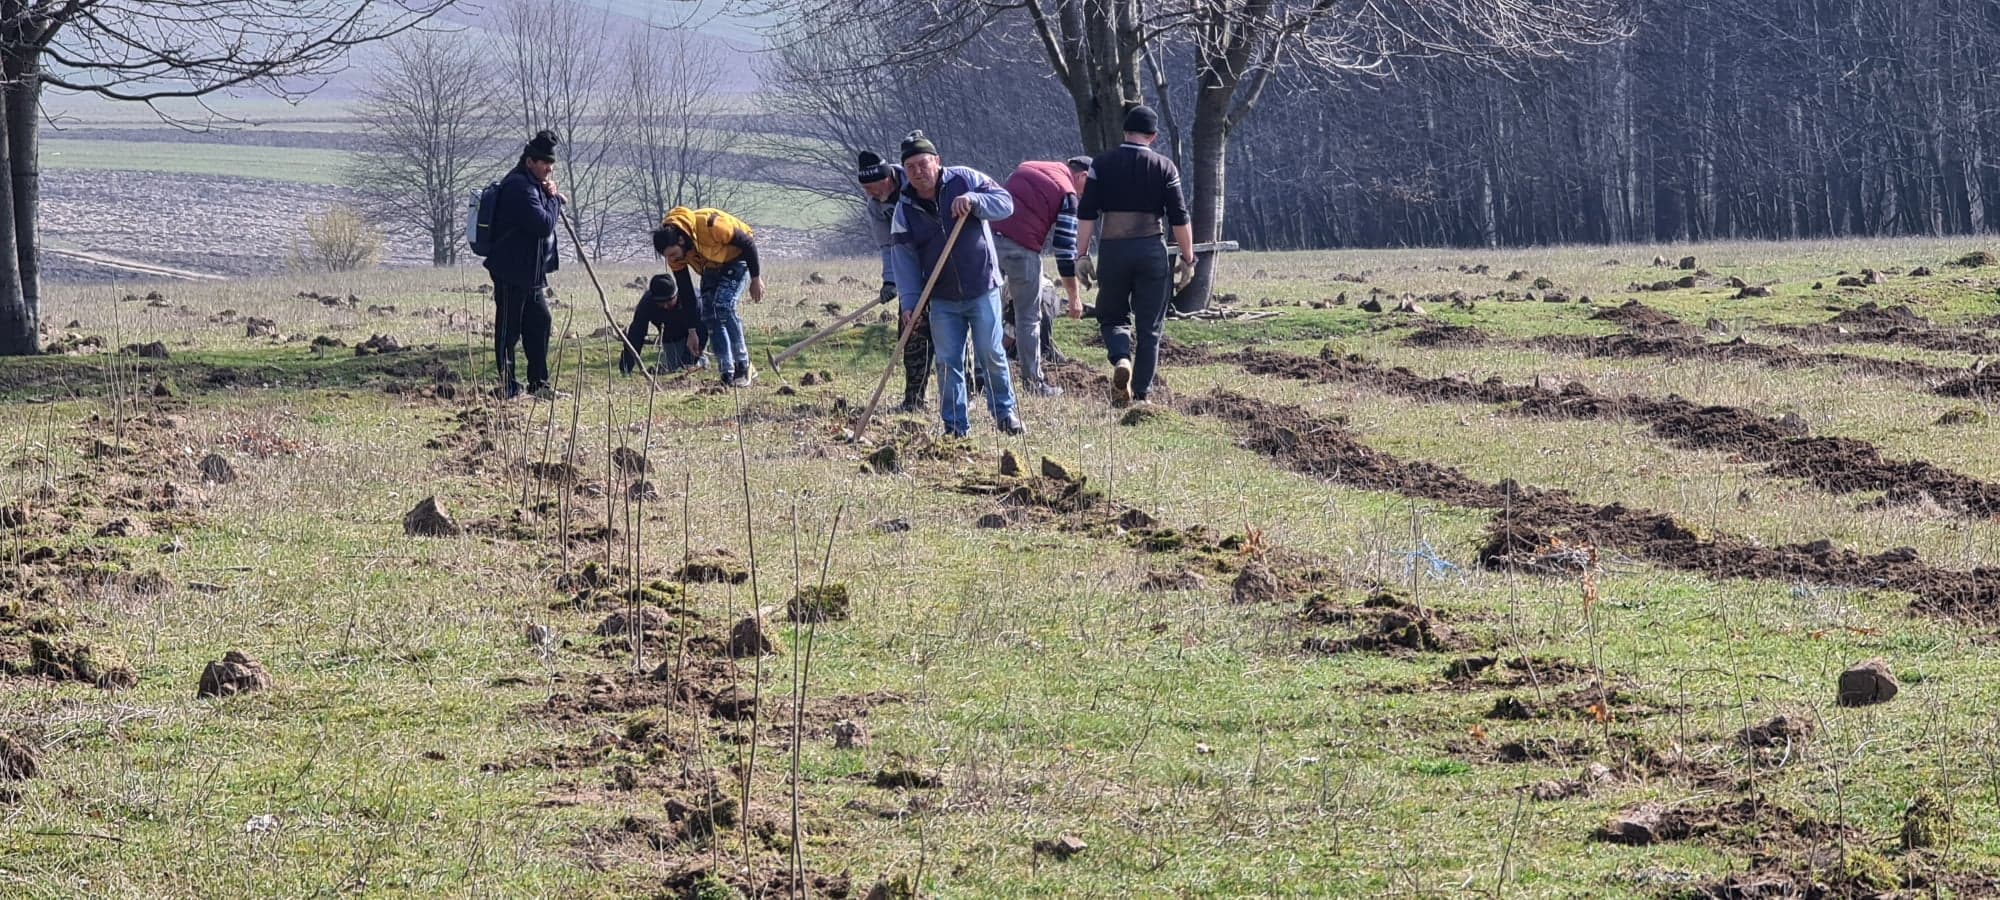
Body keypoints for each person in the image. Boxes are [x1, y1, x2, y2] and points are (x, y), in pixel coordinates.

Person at [888, 130, 1024, 437]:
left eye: (923, 164)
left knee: (991, 353)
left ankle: (1005, 413)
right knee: (948, 363)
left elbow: (1005, 203)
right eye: (910, 167)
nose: (917, 172)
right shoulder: (904, 209)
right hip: (941, 298)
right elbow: (904, 261)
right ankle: (954, 426)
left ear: (937, 161)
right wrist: (910, 303)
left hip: (982, 287)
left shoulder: (965, 179)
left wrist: (975, 201)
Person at [1075, 106, 1194, 407]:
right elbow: (1179, 217)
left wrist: (1081, 255)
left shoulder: (1101, 164)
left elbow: (1086, 213)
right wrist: (1188, 258)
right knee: (1150, 326)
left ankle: (1121, 358)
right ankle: (1141, 395)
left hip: (1114, 250)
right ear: (1152, 136)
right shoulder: (1165, 167)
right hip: (1151, 250)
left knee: (1112, 315)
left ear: (1125, 132)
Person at [992, 156, 1088, 397]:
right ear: (1082, 177)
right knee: (1028, 318)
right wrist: (1074, 297)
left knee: (985, 313)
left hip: (989, 242)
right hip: (1023, 250)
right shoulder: (1068, 194)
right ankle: (1033, 383)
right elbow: (1064, 250)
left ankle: (980, 378)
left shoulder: (1026, 167)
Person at [483, 129, 567, 400]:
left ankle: (539, 385)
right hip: (511, 272)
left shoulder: (535, 185)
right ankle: (508, 386)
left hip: (531, 274)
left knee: (540, 323)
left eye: (551, 164)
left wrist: (549, 196)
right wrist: (554, 199)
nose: (549, 169)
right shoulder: (519, 187)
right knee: (509, 331)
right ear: (530, 161)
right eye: (545, 163)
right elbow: (543, 224)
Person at [654, 206, 765, 387]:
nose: (673, 259)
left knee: (723, 306)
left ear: (681, 240)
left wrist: (755, 278)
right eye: (668, 257)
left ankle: (744, 366)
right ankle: (726, 372)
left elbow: (747, 243)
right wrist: (692, 331)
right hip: (711, 267)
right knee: (709, 315)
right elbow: (687, 293)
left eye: (673, 254)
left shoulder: (711, 225)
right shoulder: (675, 257)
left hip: (737, 259)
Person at [859, 150, 931, 412]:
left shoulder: (917, 186)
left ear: (886, 179)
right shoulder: (875, 206)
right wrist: (890, 281)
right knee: (911, 333)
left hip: (941, 266)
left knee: (951, 336)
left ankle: (966, 394)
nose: (868, 193)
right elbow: (888, 245)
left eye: (871, 187)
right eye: (865, 188)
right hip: (910, 273)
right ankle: (914, 400)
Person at [619, 274, 706, 376]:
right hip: (670, 337)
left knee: (688, 367)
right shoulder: (647, 303)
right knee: (675, 368)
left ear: (676, 295)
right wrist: (626, 367)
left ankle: (702, 364)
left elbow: (702, 331)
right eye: (660, 303)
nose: (665, 306)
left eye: (669, 302)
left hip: (693, 333)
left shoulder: (693, 300)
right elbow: (636, 334)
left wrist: (689, 361)